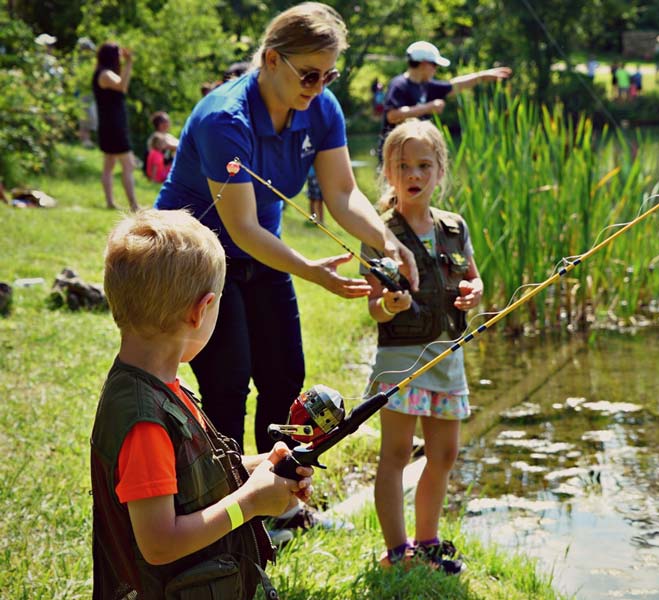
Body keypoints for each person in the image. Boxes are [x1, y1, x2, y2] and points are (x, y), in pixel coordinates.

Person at [154, 2, 418, 454]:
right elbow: (241, 228)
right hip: (199, 260)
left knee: (284, 373)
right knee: (228, 383)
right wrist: (312, 271)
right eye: (310, 74)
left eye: (329, 76)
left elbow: (341, 193)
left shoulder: (320, 107)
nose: (318, 88)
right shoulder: (226, 119)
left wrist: (387, 239)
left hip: (261, 252)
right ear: (271, 59)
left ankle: (277, 498)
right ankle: (228, 511)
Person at [92, 208, 314, 599]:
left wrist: (259, 467)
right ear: (201, 310)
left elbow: (187, 481)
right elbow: (159, 543)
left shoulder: (162, 387)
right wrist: (248, 503)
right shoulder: (145, 423)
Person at [361, 120, 483, 573]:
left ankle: (428, 541)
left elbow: (473, 277)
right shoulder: (379, 233)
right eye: (403, 166)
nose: (414, 174)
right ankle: (397, 552)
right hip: (401, 360)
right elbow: (374, 307)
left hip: (448, 356)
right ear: (389, 173)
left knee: (445, 454)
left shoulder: (454, 227)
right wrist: (390, 305)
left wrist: (475, 292)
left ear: (439, 171)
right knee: (395, 453)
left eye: (424, 166)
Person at [377, 40, 511, 161]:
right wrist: (428, 107)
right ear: (424, 64)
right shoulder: (399, 85)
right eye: (434, 65)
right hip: (394, 154)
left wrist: (482, 76)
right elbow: (392, 115)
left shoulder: (426, 84)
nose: (436, 69)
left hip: (413, 154)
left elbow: (454, 85)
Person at [93, 42, 139, 211]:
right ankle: (134, 205)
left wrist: (127, 64)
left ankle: (110, 202)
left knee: (109, 165)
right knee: (128, 165)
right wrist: (129, 63)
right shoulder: (104, 74)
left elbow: (121, 86)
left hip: (110, 124)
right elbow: (122, 86)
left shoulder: (104, 73)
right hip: (113, 126)